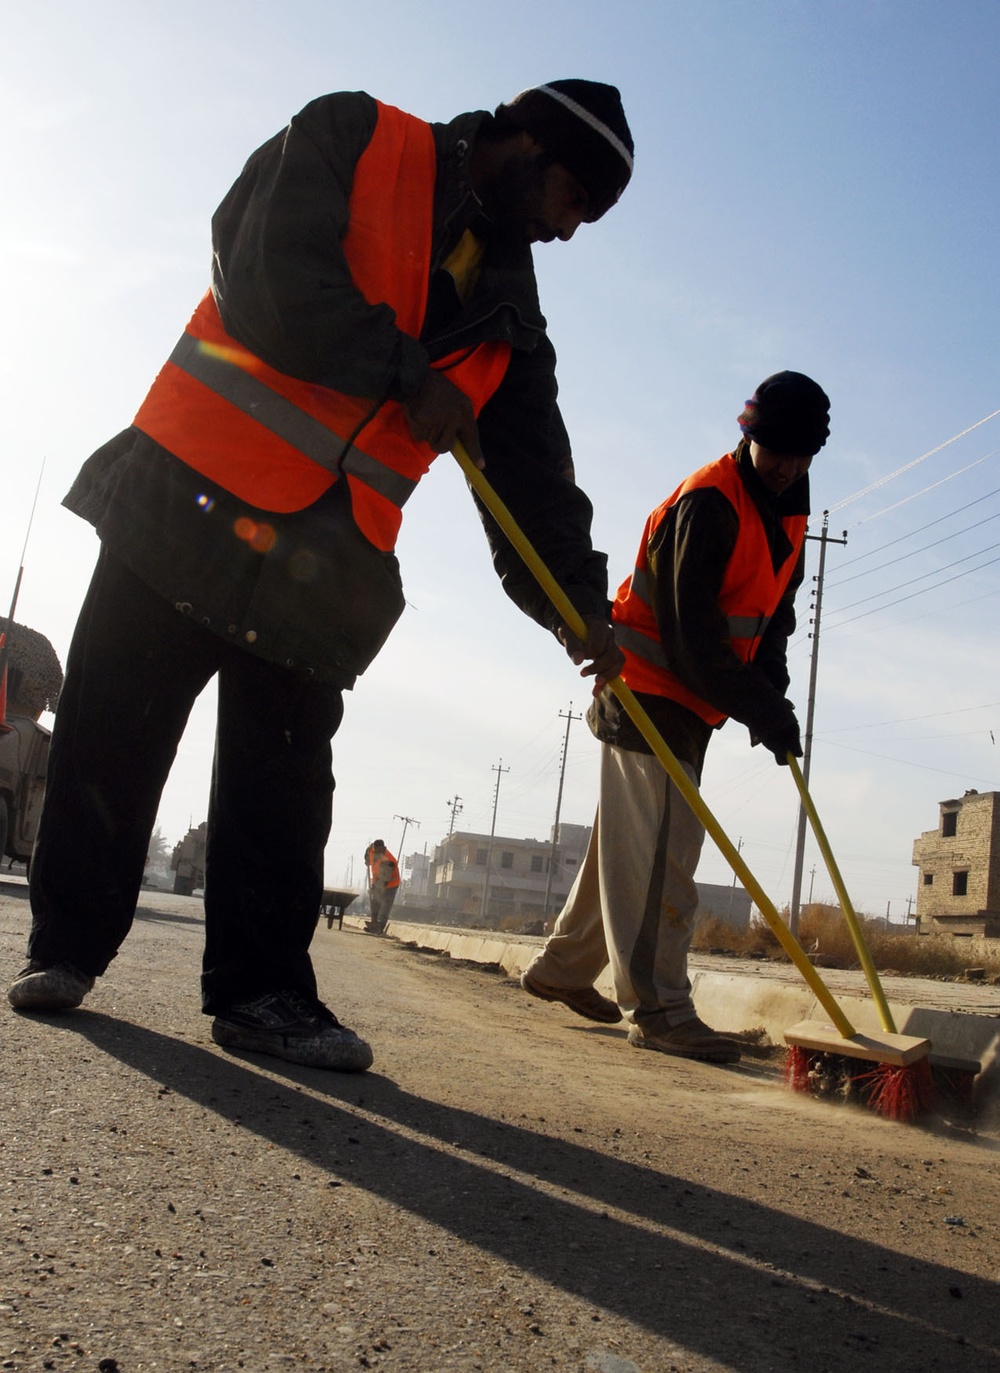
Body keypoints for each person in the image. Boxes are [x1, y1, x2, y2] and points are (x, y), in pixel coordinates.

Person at [7, 80, 635, 1073]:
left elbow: (536, 487)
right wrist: (400, 369)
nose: (566, 232)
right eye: (572, 201)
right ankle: (66, 949)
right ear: (528, 145)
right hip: (190, 497)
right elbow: (262, 268)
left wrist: (581, 609)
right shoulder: (355, 136)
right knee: (108, 739)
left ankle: (263, 993)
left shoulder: (512, 320)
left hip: (322, 565)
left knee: (285, 783)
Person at [521, 372, 831, 1065]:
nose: (785, 464)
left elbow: (772, 618)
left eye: (799, 453)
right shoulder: (710, 503)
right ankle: (659, 1007)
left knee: (628, 850)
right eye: (774, 449)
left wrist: (772, 692)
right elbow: (694, 640)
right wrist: (762, 710)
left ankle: (564, 969)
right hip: (647, 689)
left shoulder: (790, 510)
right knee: (662, 861)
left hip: (692, 702)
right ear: (749, 435)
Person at [364, 840, 400, 934]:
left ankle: (380, 927)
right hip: (378, 880)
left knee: (385, 905)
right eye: (374, 849)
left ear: (382, 848)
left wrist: (375, 889)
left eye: (377, 850)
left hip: (391, 884)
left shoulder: (389, 860)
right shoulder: (371, 850)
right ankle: (373, 922)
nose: (376, 852)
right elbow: (368, 852)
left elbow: (384, 880)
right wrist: (366, 859)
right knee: (374, 901)